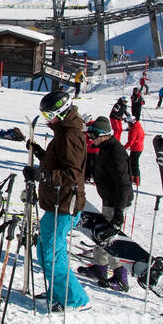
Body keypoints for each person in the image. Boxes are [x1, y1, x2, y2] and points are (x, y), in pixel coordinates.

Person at [20, 91, 91, 310]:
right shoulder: (63, 133)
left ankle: (75, 299)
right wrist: (40, 153)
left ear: (61, 112)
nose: (46, 118)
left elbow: (73, 175)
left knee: (50, 252)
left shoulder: (71, 135)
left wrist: (43, 176)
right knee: (48, 250)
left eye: (48, 114)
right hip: (55, 202)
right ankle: (58, 291)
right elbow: (58, 162)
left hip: (65, 203)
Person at [82, 116, 134, 291]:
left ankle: (121, 277)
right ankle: (99, 268)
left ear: (104, 134)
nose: (91, 138)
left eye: (94, 135)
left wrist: (118, 212)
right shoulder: (105, 147)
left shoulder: (116, 152)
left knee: (109, 238)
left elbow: (124, 183)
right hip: (109, 199)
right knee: (100, 234)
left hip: (117, 201)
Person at [125, 116, 146, 186]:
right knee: (133, 163)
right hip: (138, 147)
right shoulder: (138, 126)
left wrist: (125, 147)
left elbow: (131, 140)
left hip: (136, 148)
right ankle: (134, 178)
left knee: (134, 164)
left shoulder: (134, 129)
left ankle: (136, 180)